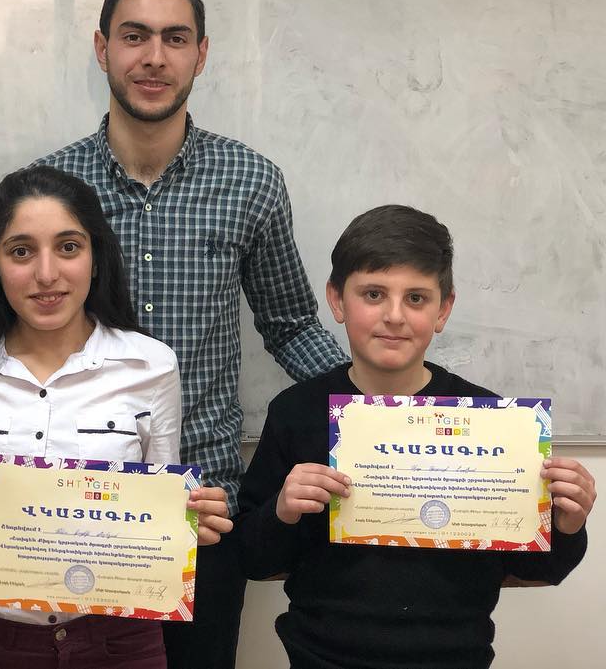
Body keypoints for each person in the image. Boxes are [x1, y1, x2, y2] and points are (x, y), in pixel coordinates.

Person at [0, 0, 345, 667]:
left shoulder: (251, 181)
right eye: (134, 36)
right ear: (102, 48)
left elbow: (291, 327)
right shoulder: (55, 192)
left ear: (201, 53)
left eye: (174, 38)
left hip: (200, 518)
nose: (153, 57)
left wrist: (378, 417)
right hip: (51, 531)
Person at [235, 204, 596, 668]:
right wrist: (282, 511)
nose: (394, 316)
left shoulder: (492, 420)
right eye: (373, 294)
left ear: (443, 309)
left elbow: (537, 568)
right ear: (337, 300)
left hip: (456, 658)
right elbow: (253, 559)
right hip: (321, 656)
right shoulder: (296, 412)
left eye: (417, 299)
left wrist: (567, 525)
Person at [0, 166, 232, 669]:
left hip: (122, 643)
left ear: (96, 259)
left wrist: (186, 522)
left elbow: (162, 500)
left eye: (69, 247)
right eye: (21, 251)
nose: (47, 273)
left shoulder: (150, 364)